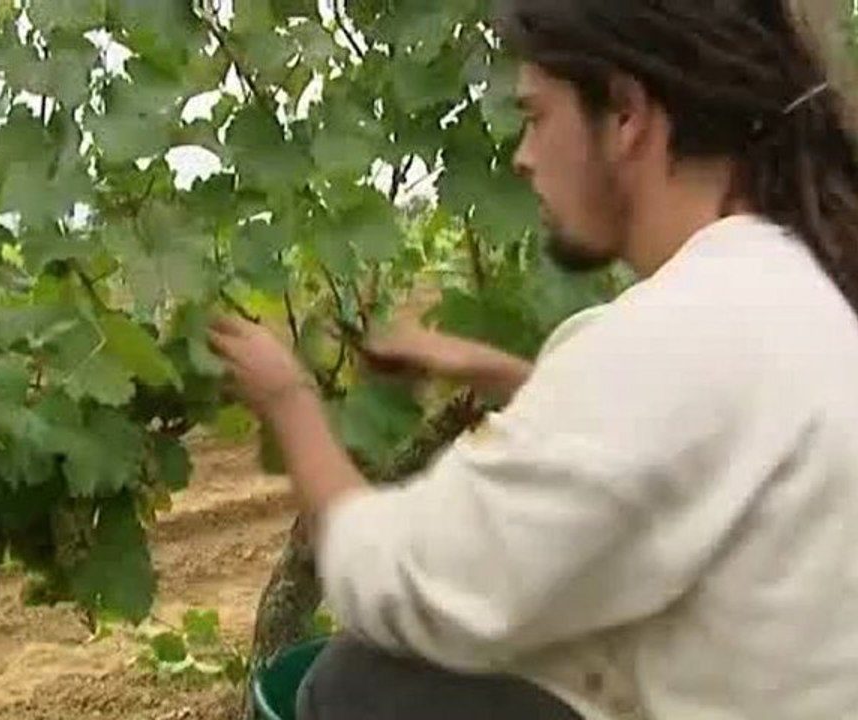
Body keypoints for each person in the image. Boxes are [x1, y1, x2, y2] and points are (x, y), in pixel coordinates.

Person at [208, 1, 858, 718]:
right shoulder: (783, 288)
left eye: (537, 116)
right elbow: (658, 454)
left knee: (364, 677)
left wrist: (289, 401)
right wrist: (498, 373)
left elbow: (394, 582)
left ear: (625, 115)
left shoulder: (663, 345)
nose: (521, 154)